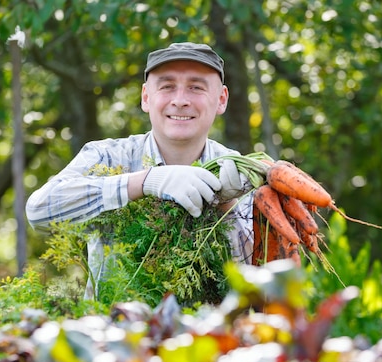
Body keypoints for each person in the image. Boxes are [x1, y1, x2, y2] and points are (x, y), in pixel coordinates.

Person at [26, 42, 253, 298]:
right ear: (146, 97)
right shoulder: (109, 157)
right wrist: (145, 182)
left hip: (211, 333)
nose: (180, 101)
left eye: (196, 87)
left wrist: (227, 208)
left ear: (221, 100)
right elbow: (38, 212)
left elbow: (253, 279)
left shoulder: (239, 171)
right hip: (114, 329)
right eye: (167, 87)